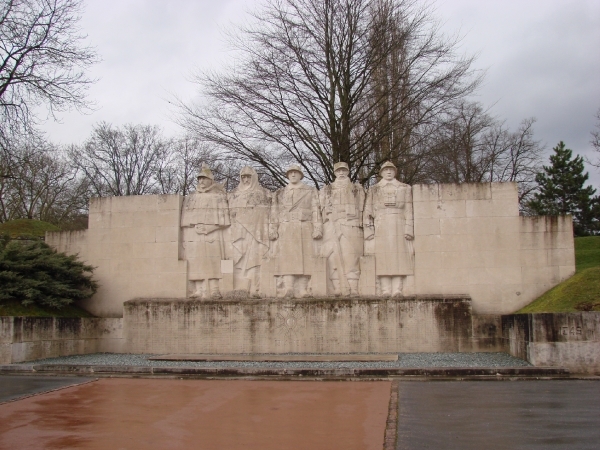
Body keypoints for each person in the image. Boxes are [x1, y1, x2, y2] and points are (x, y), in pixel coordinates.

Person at [270, 164, 322, 297]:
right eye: (290, 173)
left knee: (305, 258)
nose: (293, 175)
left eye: (295, 172)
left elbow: (316, 210)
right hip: (286, 227)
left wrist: (317, 227)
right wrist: (273, 229)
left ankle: (303, 288)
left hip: (304, 226)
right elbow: (274, 212)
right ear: (287, 175)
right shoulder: (280, 193)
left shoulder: (310, 190)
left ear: (300, 175)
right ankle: (289, 288)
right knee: (288, 258)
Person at [363, 161, 414, 297]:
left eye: (391, 169)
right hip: (381, 224)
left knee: (399, 258)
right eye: (386, 170)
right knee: (382, 258)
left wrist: (409, 228)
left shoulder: (405, 188)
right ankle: (385, 289)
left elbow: (409, 209)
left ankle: (397, 289)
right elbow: (368, 210)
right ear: (381, 173)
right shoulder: (374, 189)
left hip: (399, 223)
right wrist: (369, 230)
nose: (389, 172)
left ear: (395, 171)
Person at [180, 164, 230, 299]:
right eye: (199, 179)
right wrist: (191, 229)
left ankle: (214, 289)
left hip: (212, 234)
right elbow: (185, 220)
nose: (201, 181)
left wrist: (210, 228)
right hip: (194, 235)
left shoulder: (218, 197)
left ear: (210, 180)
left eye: (204, 179)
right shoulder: (191, 198)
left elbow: (224, 220)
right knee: (196, 262)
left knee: (213, 262)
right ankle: (199, 289)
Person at [319, 162, 365, 296]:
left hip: (351, 225)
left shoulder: (357, 188)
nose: (341, 173)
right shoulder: (327, 189)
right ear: (334, 172)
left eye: (344, 170)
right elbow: (322, 209)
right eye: (338, 171)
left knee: (351, 257)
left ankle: (353, 287)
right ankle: (337, 286)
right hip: (332, 226)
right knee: (332, 258)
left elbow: (361, 208)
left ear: (348, 171)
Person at [228, 166, 271, 297]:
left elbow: (266, 212)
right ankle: (240, 286)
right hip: (239, 233)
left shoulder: (263, 193)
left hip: (256, 232)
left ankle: (255, 287)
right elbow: (231, 212)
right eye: (243, 177)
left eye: (248, 176)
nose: (246, 179)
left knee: (255, 259)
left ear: (254, 178)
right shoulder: (234, 194)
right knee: (239, 259)